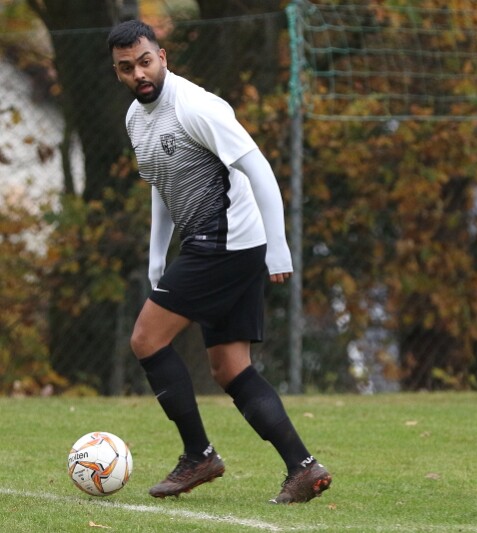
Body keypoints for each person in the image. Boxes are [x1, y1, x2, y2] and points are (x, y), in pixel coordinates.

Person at [107, 20, 331, 504]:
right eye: (126, 68)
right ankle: (303, 468)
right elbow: (163, 185)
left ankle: (199, 455)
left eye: (145, 62)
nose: (138, 74)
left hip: (227, 241)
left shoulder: (195, 106)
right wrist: (156, 256)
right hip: (218, 243)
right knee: (230, 367)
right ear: (118, 72)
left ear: (162, 57)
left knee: (146, 339)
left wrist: (279, 245)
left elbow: (258, 167)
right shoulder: (136, 119)